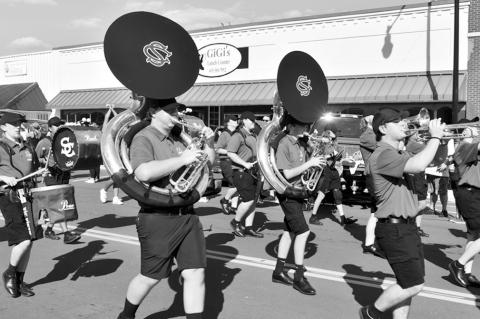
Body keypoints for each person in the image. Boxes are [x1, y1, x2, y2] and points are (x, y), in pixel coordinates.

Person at [117, 97, 215, 319]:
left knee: (195, 273)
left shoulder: (180, 137)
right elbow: (143, 173)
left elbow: (208, 164)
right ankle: (126, 316)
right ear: (153, 111)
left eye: (177, 110)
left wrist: (209, 145)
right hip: (157, 217)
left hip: (187, 215)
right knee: (150, 277)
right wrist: (182, 160)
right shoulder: (144, 137)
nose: (176, 114)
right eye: (170, 110)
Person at [360, 108, 445, 319]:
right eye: (396, 122)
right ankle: (370, 313)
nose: (403, 124)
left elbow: (432, 161)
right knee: (414, 285)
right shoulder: (382, 154)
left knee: (407, 284)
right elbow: (417, 165)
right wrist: (434, 136)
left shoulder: (397, 152)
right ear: (382, 128)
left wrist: (441, 141)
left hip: (406, 226)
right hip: (394, 229)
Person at [272, 114, 325, 295]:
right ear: (292, 125)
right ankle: (299, 276)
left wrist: (314, 159)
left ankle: (278, 272)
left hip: (299, 191)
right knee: (303, 232)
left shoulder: (301, 143)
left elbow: (305, 168)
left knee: (290, 232)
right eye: (303, 124)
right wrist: (310, 163)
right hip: (288, 193)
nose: (306, 128)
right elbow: (285, 174)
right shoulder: (284, 143)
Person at [0, 111, 42, 298]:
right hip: (9, 197)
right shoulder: (0, 147)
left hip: (29, 195)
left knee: (30, 242)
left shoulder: (27, 146)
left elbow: (33, 169)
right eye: (14, 124)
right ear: (3, 127)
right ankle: (9, 273)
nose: (18, 126)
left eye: (19, 124)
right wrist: (2, 177)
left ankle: (19, 280)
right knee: (23, 239)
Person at [35, 116, 81, 244]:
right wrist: (44, 162)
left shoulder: (64, 140)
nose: (59, 127)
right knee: (59, 204)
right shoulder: (44, 142)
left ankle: (49, 229)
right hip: (51, 175)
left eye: (60, 125)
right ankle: (67, 234)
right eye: (56, 125)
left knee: (59, 204)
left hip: (63, 174)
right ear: (50, 127)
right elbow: (35, 158)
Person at [448, 126, 480, 288]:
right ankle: (458, 265)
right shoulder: (464, 146)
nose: (475, 129)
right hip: (470, 192)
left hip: (475, 193)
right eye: (471, 128)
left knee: (473, 236)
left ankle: (466, 272)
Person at [309, 130, 357, 227]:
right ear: (327, 137)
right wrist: (336, 158)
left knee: (337, 194)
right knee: (321, 195)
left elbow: (336, 159)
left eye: (332, 138)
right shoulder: (324, 146)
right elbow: (329, 162)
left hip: (334, 172)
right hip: (328, 172)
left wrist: (343, 159)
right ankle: (313, 217)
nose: (332, 138)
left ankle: (343, 218)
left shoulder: (332, 145)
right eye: (330, 137)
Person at [227, 111, 264, 238]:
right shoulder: (237, 135)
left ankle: (248, 227)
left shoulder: (253, 135)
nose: (254, 122)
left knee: (253, 201)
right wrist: (244, 164)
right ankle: (235, 222)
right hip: (242, 172)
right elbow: (230, 153)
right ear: (244, 121)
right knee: (248, 200)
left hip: (253, 172)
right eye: (252, 120)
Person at [359, 115, 385, 257]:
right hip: (374, 176)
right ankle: (370, 243)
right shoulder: (366, 136)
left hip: (379, 175)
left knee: (378, 211)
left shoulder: (373, 134)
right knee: (377, 212)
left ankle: (373, 242)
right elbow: (384, 147)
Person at [404, 129, 430, 237]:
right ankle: (407, 219)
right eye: (416, 133)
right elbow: (429, 150)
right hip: (416, 176)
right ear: (411, 134)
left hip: (419, 175)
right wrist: (433, 139)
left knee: (420, 203)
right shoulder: (411, 144)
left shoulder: (413, 144)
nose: (418, 134)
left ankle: (417, 227)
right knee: (421, 203)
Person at [425, 138, 454, 217]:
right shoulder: (432, 137)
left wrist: (445, 164)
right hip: (430, 169)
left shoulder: (448, 138)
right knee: (432, 190)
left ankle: (444, 209)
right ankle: (432, 207)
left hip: (442, 170)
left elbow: (451, 156)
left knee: (443, 191)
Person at [215, 115, 239, 215]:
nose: (236, 121)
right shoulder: (224, 134)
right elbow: (218, 149)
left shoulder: (237, 134)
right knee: (236, 184)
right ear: (228, 122)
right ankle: (225, 200)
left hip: (235, 161)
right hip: (226, 161)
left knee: (236, 184)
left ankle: (233, 207)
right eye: (234, 120)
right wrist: (230, 152)